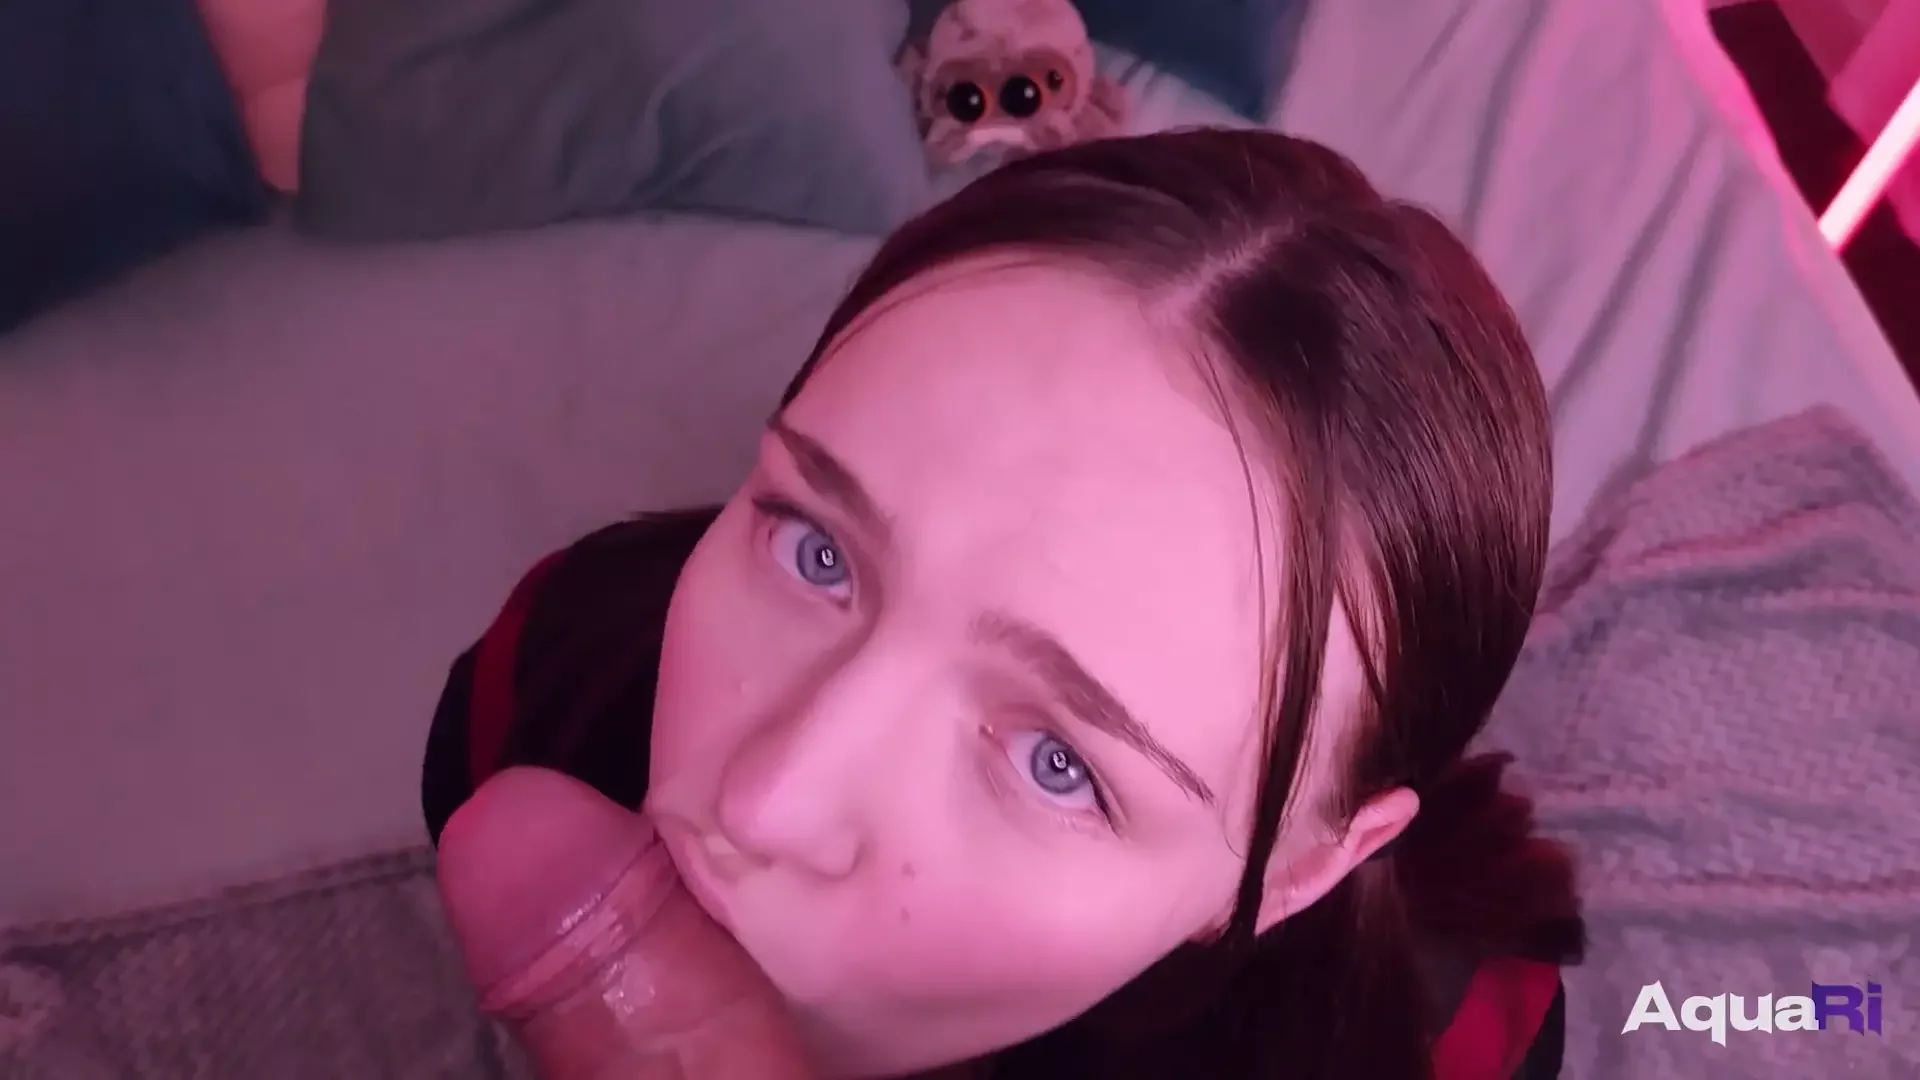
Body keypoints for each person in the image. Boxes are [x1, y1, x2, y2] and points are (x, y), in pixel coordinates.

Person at [423, 128, 1586, 1080]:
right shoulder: (552, 679)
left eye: (1056, 764)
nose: (763, 804)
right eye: (818, 553)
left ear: (1296, 874)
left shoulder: (1446, 1043)